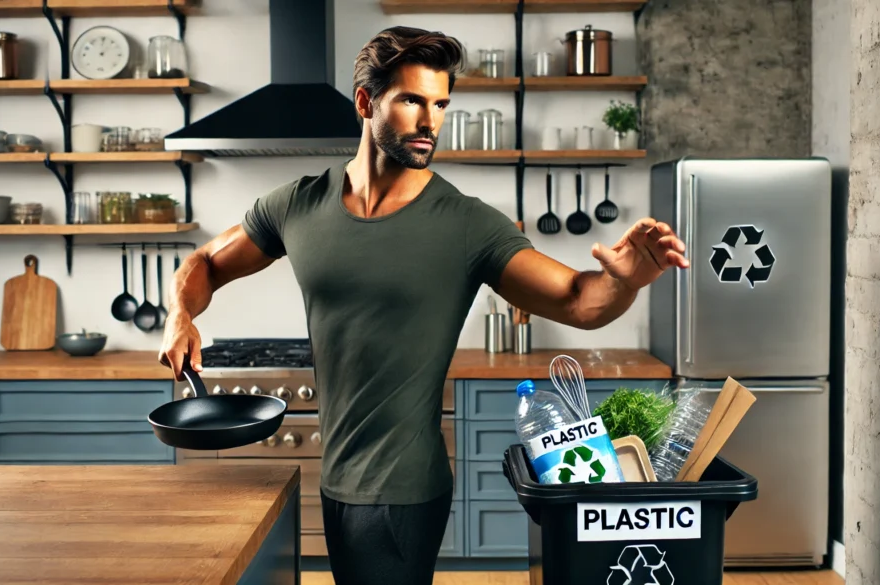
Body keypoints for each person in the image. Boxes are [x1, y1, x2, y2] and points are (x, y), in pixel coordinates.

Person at [158, 25, 689, 585]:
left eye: (440, 104)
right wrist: (180, 314)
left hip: (402, 491)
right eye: (412, 100)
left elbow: (580, 300)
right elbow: (207, 264)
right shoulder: (297, 204)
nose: (430, 121)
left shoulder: (464, 223)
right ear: (367, 102)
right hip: (336, 479)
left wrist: (628, 280)